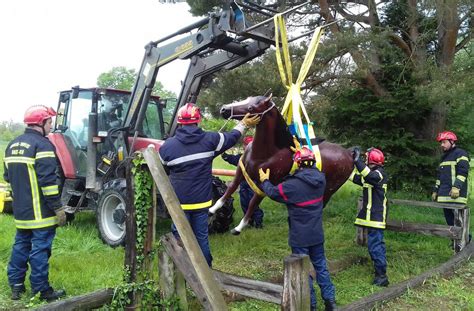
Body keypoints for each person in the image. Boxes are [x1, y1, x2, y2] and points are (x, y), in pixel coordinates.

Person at [159, 103, 260, 267]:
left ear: (179, 121)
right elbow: (231, 137)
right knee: (201, 238)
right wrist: (244, 124)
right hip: (202, 202)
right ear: (197, 120)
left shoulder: (167, 147)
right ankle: (207, 270)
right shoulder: (211, 139)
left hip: (179, 204)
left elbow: (165, 166)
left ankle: (184, 272)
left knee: (179, 238)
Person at [259, 147, 337, 311]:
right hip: (317, 234)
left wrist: (265, 180)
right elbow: (315, 170)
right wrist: (302, 151)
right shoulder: (321, 179)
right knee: (321, 266)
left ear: (297, 164)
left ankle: (311, 304)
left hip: (300, 236)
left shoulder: (291, 186)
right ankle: (330, 302)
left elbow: (273, 193)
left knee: (303, 271)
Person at [3, 105, 67, 301]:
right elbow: (48, 182)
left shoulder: (12, 145)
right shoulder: (43, 145)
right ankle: (41, 290)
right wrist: (58, 208)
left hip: (21, 212)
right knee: (40, 249)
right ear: (41, 123)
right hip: (41, 213)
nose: (51, 126)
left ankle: (16, 287)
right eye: (49, 122)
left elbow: (7, 177)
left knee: (21, 246)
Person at [350, 147, 389, 287]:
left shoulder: (380, 174)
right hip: (371, 217)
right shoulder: (370, 174)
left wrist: (357, 161)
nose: (364, 161)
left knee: (375, 247)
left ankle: (382, 276)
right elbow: (356, 178)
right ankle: (381, 270)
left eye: (366, 158)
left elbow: (370, 177)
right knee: (377, 245)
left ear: (371, 159)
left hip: (376, 217)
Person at [432, 131, 470, 245]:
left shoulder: (461, 153)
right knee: (450, 223)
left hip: (456, 196)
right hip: (444, 196)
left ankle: (467, 244)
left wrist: (456, 187)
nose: (442, 145)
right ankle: (455, 243)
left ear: (452, 142)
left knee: (460, 224)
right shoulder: (444, 157)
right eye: (441, 143)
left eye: (444, 142)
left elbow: (463, 172)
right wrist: (435, 191)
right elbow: (440, 177)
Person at [221, 136, 264, 228]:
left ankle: (258, 222)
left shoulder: (259, 157)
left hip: (254, 185)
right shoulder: (241, 157)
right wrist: (224, 155)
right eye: (246, 144)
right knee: (244, 203)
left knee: (253, 203)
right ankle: (248, 221)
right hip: (244, 184)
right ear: (244, 146)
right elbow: (232, 159)